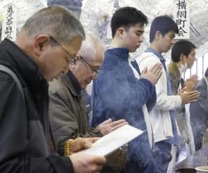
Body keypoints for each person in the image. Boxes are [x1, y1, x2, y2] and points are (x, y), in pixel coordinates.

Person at [0, 6, 106, 173]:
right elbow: (7, 167)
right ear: (41, 44)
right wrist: (69, 166)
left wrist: (67, 149)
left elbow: (27, 152)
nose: (67, 68)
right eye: (68, 58)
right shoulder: (6, 81)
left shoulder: (27, 81)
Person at [90, 7, 164, 173]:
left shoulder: (129, 61)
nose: (141, 39)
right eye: (138, 33)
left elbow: (143, 107)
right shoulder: (109, 63)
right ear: (121, 32)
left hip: (138, 149)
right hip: (122, 154)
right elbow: (123, 105)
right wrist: (145, 84)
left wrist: (149, 85)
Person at [48, 35, 128, 173]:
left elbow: (77, 135)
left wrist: (98, 132)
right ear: (75, 60)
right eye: (93, 69)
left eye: (98, 71)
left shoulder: (76, 90)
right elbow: (65, 144)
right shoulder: (56, 91)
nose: (95, 76)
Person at [136, 16, 200, 172]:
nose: (172, 42)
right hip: (157, 133)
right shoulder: (152, 61)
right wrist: (180, 99)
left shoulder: (156, 60)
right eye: (170, 36)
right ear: (158, 35)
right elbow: (157, 100)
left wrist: (181, 95)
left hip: (159, 132)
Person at [168, 39, 199, 159]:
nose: (195, 59)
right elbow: (168, 104)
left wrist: (186, 90)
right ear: (183, 57)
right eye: (193, 55)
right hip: (171, 132)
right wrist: (185, 93)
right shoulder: (170, 74)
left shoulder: (178, 76)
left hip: (179, 129)